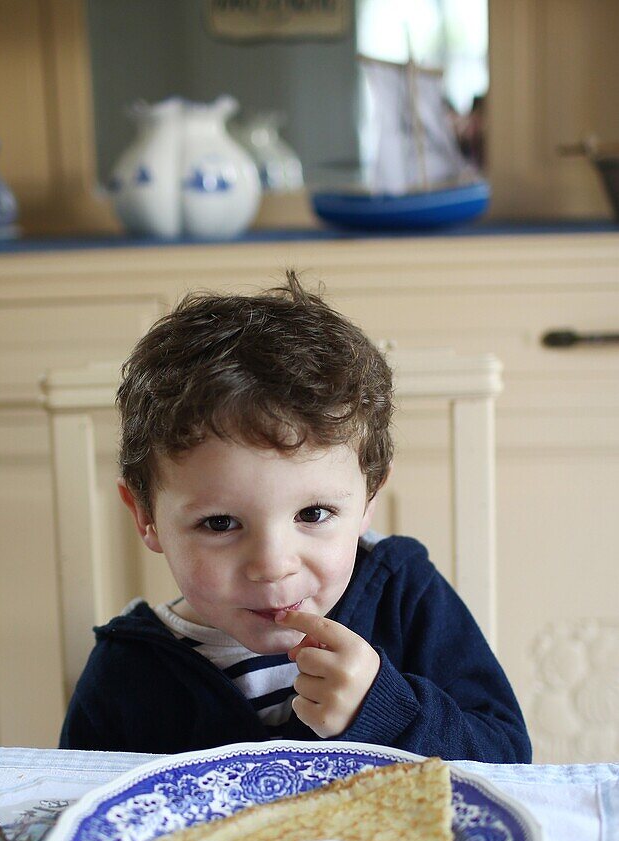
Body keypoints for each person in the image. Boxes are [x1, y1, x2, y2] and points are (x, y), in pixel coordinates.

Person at [60, 271, 530, 763]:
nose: (273, 564)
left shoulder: (402, 594)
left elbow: (509, 760)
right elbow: (69, 809)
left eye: (314, 513)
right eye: (220, 523)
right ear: (146, 518)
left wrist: (386, 709)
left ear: (369, 499)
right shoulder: (126, 671)